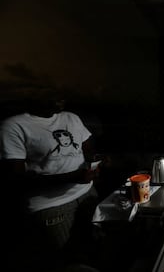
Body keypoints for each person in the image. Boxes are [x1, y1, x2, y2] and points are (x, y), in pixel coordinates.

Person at [0, 87, 103, 272]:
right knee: (67, 260)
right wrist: (72, 177)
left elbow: (87, 147)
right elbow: (16, 179)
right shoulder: (14, 126)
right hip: (52, 206)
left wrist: (96, 160)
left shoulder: (70, 117)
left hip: (86, 193)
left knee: (94, 246)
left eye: (61, 96)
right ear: (33, 96)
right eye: (53, 96)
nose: (60, 100)